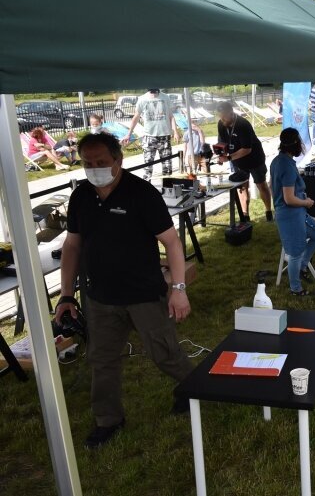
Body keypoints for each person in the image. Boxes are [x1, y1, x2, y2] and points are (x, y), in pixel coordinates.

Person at [55, 132, 194, 449]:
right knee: (101, 360)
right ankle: (108, 420)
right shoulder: (81, 197)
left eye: (101, 162)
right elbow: (72, 247)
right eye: (88, 163)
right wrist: (65, 295)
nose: (94, 168)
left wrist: (179, 288)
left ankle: (193, 389)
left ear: (118, 160)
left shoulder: (141, 193)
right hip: (100, 298)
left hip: (144, 294)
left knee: (165, 353)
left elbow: (171, 242)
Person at [270, 128, 315, 295]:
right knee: (295, 252)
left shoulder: (277, 161)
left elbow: (271, 186)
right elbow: (289, 199)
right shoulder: (286, 166)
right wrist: (305, 202)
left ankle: (303, 265)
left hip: (294, 213)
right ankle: (296, 288)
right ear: (295, 144)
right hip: (291, 214)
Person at [215, 101, 274, 222]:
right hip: (238, 161)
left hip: (254, 159)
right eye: (220, 116)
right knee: (242, 187)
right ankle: (245, 215)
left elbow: (247, 149)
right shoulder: (221, 124)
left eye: (224, 116)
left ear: (231, 113)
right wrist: (221, 155)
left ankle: (268, 211)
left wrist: (229, 158)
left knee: (261, 185)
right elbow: (222, 143)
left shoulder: (243, 124)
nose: (222, 119)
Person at [120, 89, 180, 181]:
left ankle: (168, 189)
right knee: (148, 166)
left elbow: (171, 116)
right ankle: (146, 190)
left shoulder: (165, 97)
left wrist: (175, 131)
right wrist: (128, 134)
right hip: (149, 137)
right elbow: (136, 117)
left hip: (164, 136)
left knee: (167, 166)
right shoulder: (142, 99)